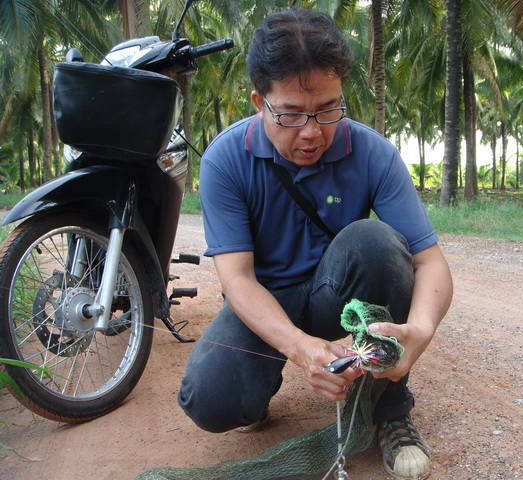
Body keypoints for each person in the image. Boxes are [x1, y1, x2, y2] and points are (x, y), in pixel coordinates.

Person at [178, 8, 453, 480]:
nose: (312, 130)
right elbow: (237, 281)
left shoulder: (372, 152)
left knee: (378, 243)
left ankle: (390, 409)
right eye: (290, 113)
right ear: (257, 102)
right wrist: (302, 348)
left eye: (328, 109)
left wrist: (421, 330)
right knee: (210, 401)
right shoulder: (225, 160)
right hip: (269, 300)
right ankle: (257, 393)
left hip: (336, 293)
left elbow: (430, 263)